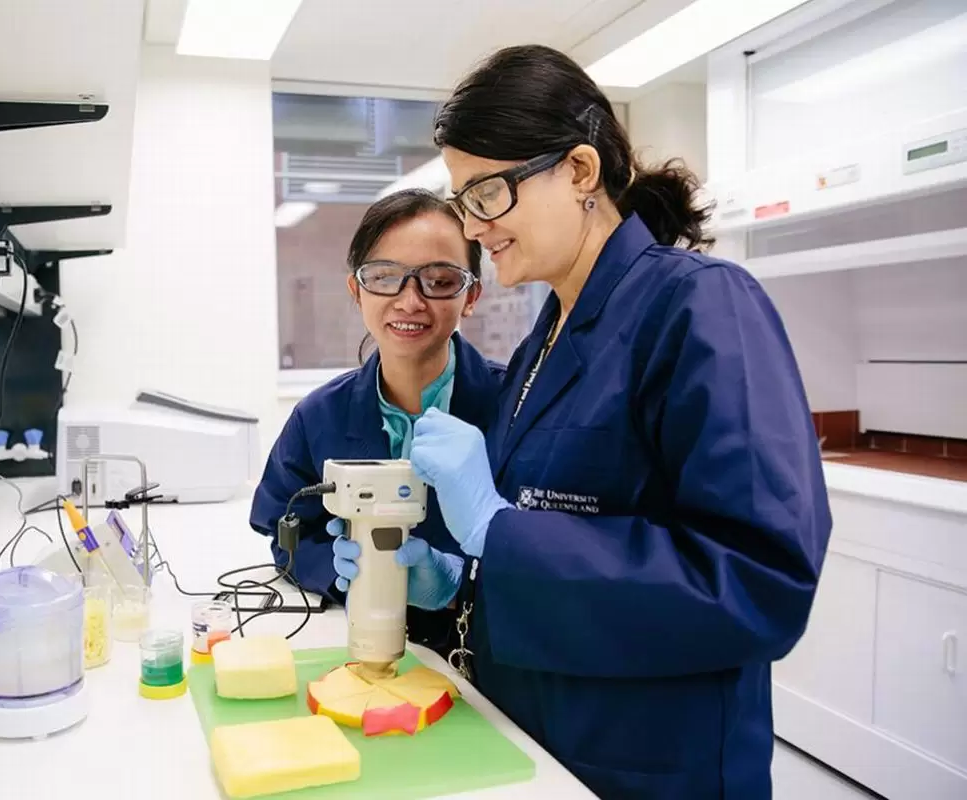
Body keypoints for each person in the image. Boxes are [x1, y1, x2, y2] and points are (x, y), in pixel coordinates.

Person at [354, 45, 831, 799]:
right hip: (538, 745)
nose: (474, 230)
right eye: (463, 202)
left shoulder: (703, 306)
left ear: (579, 171)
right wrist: (460, 587)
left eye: (486, 194)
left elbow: (757, 582)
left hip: (650, 765)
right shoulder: (547, 334)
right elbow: (556, 539)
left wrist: (496, 531)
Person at [250, 188, 505, 656]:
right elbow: (283, 531)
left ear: (471, 296)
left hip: (488, 660)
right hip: (358, 646)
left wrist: (459, 584)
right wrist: (335, 567)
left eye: (441, 280)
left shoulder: (516, 407)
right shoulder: (318, 416)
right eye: (385, 277)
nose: (410, 301)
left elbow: (551, 553)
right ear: (357, 290)